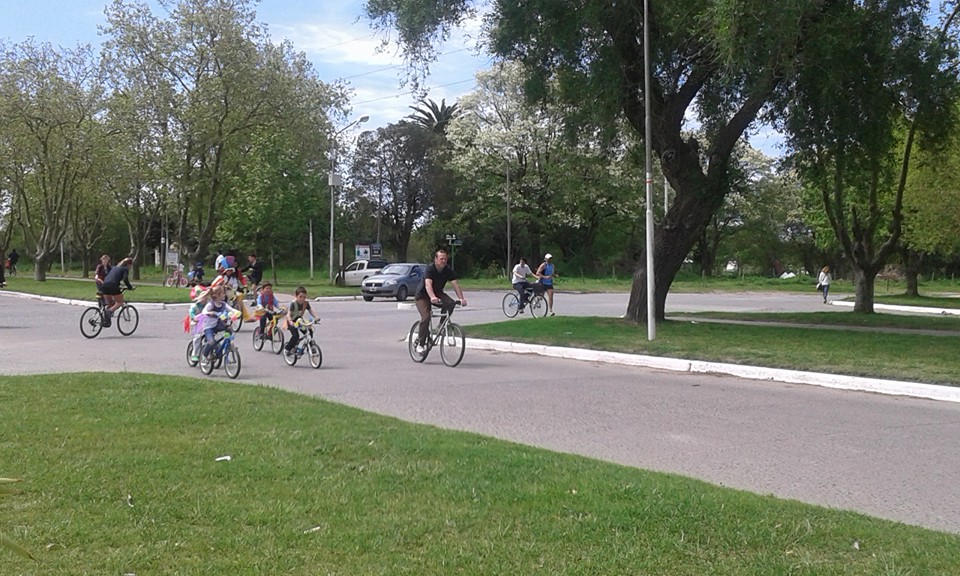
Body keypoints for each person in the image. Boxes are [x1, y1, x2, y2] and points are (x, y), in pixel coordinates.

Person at [414, 249, 467, 353]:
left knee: (451, 303)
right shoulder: (430, 269)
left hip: (437, 293)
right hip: (423, 295)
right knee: (426, 317)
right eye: (441, 259)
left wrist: (461, 298)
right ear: (436, 259)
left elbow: (455, 284)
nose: (443, 261)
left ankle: (440, 326)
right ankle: (420, 344)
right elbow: (428, 284)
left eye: (445, 259)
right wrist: (432, 297)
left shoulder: (447, 270)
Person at [199, 285, 240, 360]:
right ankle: (204, 356)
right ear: (217, 295)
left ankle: (226, 345)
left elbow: (231, 309)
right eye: (223, 293)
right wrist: (211, 313)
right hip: (209, 327)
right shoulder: (211, 304)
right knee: (211, 342)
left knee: (229, 329)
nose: (224, 295)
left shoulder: (223, 304)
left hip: (218, 325)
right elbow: (204, 312)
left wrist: (237, 312)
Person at [100, 257, 135, 327]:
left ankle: (105, 320)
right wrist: (130, 287)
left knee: (110, 304)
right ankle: (109, 312)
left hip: (104, 285)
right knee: (119, 302)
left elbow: (112, 277)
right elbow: (125, 280)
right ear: (129, 264)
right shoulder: (125, 269)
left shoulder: (115, 267)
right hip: (113, 285)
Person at [284, 286, 317, 356]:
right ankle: (288, 348)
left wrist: (316, 317)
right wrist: (290, 321)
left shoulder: (306, 303)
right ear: (296, 296)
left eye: (304, 297)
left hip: (300, 322)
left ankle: (310, 347)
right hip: (292, 322)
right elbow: (288, 314)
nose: (302, 299)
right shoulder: (293, 304)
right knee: (295, 336)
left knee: (309, 331)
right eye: (300, 297)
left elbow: (311, 311)